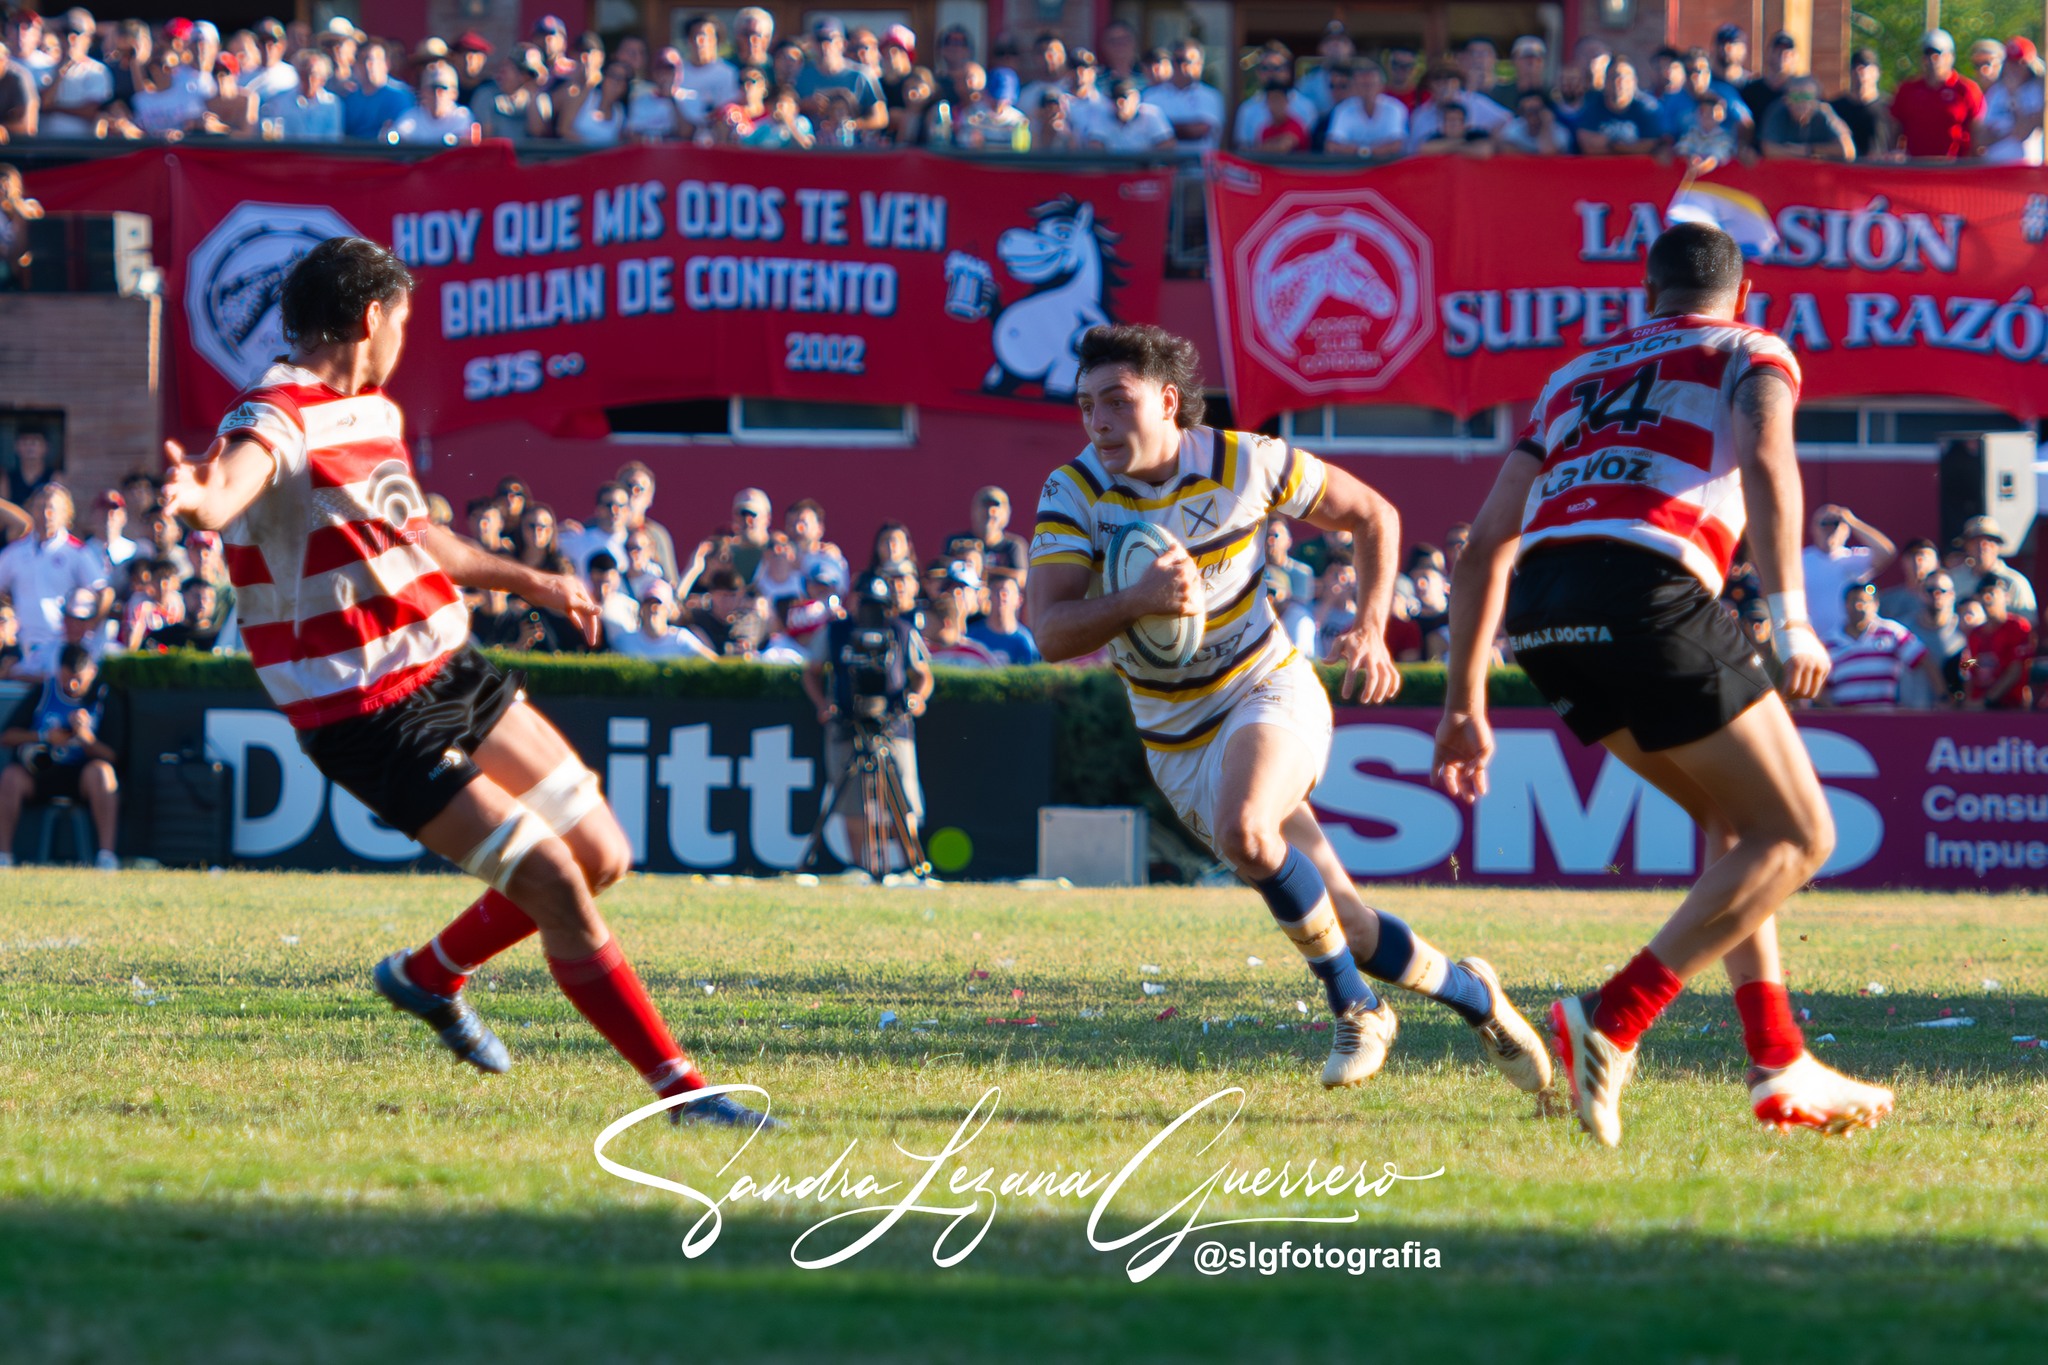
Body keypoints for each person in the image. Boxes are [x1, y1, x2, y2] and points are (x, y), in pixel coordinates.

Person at [156, 235, 776, 1130]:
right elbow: (224, 487)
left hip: (447, 665)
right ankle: (683, 1091)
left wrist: (533, 581)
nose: (405, 337)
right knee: (558, 882)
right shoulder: (275, 411)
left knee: (602, 854)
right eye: (403, 319)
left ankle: (428, 973)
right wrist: (193, 494)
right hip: (367, 712)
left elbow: (423, 541)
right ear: (372, 317)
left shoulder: (370, 413)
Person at [1433, 222, 1895, 1148]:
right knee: (1802, 834)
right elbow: (1767, 459)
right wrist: (1795, 616)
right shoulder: (1750, 347)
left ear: (1644, 295)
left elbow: (1486, 542)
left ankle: (1778, 1061)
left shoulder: (1571, 379)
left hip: (1547, 613)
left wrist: (1463, 706)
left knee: (1736, 824)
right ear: (1746, 289)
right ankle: (1611, 1016)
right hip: (1648, 588)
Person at [1031, 323, 1549, 1098]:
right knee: (1353, 924)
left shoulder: (1249, 460)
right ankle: (1479, 998)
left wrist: (1371, 630)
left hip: (1267, 688)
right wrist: (1138, 599)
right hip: (1176, 740)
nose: (1097, 422)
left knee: (1247, 828)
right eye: (1085, 406)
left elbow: (1374, 515)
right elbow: (1048, 629)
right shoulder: (1071, 492)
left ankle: (1357, 1008)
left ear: (1169, 402)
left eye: (1116, 401)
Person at [802, 572, 933, 872]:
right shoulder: (835, 632)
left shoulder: (901, 630)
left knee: (904, 799)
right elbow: (811, 670)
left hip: (893, 725)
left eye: (876, 604)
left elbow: (923, 674)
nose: (870, 611)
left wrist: (915, 698)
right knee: (852, 803)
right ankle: (862, 868)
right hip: (848, 724)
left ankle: (914, 868)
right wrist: (823, 704)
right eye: (865, 603)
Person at [0, 642, 120, 869]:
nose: (72, 685)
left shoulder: (104, 697)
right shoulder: (44, 692)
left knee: (103, 773)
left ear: (92, 672)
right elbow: (7, 736)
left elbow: (113, 756)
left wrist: (86, 737)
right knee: (10, 777)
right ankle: (3, 857)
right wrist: (43, 736)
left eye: (79, 680)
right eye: (67, 679)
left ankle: (106, 857)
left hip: (81, 776)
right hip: (41, 772)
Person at [0, 484, 110, 679]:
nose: (45, 513)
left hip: (61, 646)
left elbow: (104, 592)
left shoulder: (76, 552)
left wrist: (89, 625)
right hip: (24, 644)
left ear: (65, 513)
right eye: (40, 507)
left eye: (52, 508)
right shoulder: (15, 552)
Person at [1824, 583, 1937, 708]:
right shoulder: (1830, 642)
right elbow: (1821, 688)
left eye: (1864, 602)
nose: (1859, 607)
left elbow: (1923, 658)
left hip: (1884, 718)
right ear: (1845, 605)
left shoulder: (1892, 632)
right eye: (1854, 601)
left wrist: (1942, 697)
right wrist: (1834, 712)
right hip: (1844, 721)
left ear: (1876, 605)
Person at [1800, 503, 1894, 641]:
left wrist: (1852, 521)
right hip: (1817, 641)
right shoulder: (1801, 561)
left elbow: (1887, 553)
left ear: (1846, 530)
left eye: (1835, 523)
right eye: (1824, 523)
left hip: (1854, 642)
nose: (1829, 529)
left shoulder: (1854, 558)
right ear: (1813, 528)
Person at [1891, 30, 1983, 159]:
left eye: (1937, 54)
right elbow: (1895, 129)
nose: (1932, 60)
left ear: (1950, 56)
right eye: (1927, 54)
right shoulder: (1907, 90)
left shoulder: (1966, 89)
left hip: (1955, 168)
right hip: (1916, 167)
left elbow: (1977, 131)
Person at [39, 8, 113, 138]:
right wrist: (61, 71)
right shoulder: (43, 67)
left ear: (89, 38)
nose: (69, 38)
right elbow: (42, 105)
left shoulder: (97, 71)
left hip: (78, 149)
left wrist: (55, 108)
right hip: (45, 147)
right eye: (64, 32)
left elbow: (90, 112)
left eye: (76, 32)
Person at [1951, 514, 2036, 624]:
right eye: (1976, 541)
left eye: (1989, 541)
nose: (1982, 546)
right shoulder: (1954, 580)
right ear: (1966, 546)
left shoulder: (2015, 583)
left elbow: (2029, 623)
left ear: (1998, 546)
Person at [1965, 577, 2034, 708]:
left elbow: (2016, 669)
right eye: (1982, 593)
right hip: (1979, 707)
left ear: (2006, 596)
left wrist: (1987, 700)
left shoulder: (2018, 627)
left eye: (1991, 593)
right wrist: (1967, 700)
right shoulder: (1974, 634)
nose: (1986, 599)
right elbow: (1970, 664)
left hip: (2010, 706)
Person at [1900, 569, 1966, 706]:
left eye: (1942, 591)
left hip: (1952, 717)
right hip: (1910, 715)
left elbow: (1974, 667)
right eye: (1930, 590)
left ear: (1952, 595)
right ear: (1921, 593)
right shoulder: (1903, 631)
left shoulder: (1964, 631)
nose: (1936, 595)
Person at [1144, 40, 1223, 153]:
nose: (1186, 66)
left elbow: (1198, 131)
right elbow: (1146, 132)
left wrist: (1161, 129)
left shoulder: (1211, 96)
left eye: (1193, 62)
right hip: (1161, 167)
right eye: (1180, 61)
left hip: (1199, 168)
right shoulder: (1150, 96)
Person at [1572, 54, 1660, 154]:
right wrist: (1629, 148)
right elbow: (1587, 144)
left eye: (1625, 77)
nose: (1619, 82)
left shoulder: (1647, 108)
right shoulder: (1592, 105)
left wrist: (1612, 146)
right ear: (1605, 82)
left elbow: (1650, 145)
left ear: (1634, 81)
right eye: (1613, 77)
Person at [1323, 60, 1407, 157]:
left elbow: (1397, 145)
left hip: (1387, 167)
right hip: (1351, 168)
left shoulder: (1394, 109)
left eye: (1371, 84)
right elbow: (1332, 146)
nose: (1367, 89)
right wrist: (1366, 151)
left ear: (1381, 86)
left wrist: (1361, 151)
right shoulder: (1343, 110)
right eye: (1362, 85)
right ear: (1354, 86)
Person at [1760, 75, 1854, 160]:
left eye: (1806, 97)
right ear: (1786, 100)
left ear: (1816, 100)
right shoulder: (1777, 111)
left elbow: (1848, 150)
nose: (1801, 103)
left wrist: (1809, 150)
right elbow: (1768, 149)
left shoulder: (1825, 113)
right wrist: (1801, 153)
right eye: (1795, 97)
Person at [1984, 37, 2045, 163]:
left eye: (2021, 63)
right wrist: (2006, 134)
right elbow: (1981, 138)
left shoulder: (2038, 92)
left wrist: (2014, 95)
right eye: (2011, 62)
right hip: (1993, 165)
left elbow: (2022, 133)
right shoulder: (1995, 92)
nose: (2015, 68)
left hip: (2026, 167)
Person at [340, 39, 413, 139]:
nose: (368, 66)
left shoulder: (401, 96)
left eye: (373, 60)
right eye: (362, 60)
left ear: (386, 64)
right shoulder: (350, 100)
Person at [387, 62, 475, 144]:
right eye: (431, 89)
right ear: (422, 92)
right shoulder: (411, 117)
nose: (437, 95)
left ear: (454, 93)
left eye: (442, 88)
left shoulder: (461, 116)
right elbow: (396, 136)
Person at [1830, 47, 1894, 159]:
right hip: (1845, 171)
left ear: (1877, 72)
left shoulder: (1889, 107)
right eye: (1856, 67)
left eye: (1867, 67)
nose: (1861, 72)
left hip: (1879, 171)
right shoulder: (1835, 108)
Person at [968, 566, 1038, 664]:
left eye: (1006, 592)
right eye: (996, 591)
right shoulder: (972, 637)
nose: (1001, 597)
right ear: (989, 596)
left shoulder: (1026, 642)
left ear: (1019, 600)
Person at [1084, 77, 1172, 152]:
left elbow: (1167, 147)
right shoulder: (1101, 115)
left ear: (1136, 97)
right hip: (1113, 170)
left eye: (1124, 97)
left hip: (1145, 169)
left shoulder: (1152, 114)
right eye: (1115, 98)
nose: (1119, 103)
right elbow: (1094, 148)